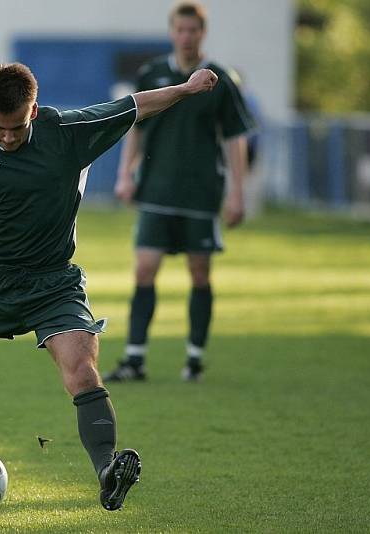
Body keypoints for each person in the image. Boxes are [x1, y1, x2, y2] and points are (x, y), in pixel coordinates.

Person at [0, 62, 218, 511]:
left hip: (55, 283)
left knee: (82, 371)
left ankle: (107, 471)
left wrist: (185, 88)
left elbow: (133, 107)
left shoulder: (65, 132)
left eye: (18, 127)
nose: (7, 137)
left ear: (35, 109)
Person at [104, 1, 256, 384]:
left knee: (200, 272)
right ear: (172, 31)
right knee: (144, 269)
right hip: (155, 188)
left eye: (193, 31)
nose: (186, 37)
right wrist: (126, 174)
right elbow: (134, 124)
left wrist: (238, 193)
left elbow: (236, 137)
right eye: (180, 30)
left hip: (201, 192)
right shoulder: (152, 73)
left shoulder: (220, 79)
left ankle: (194, 359)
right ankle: (135, 359)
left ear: (203, 33)